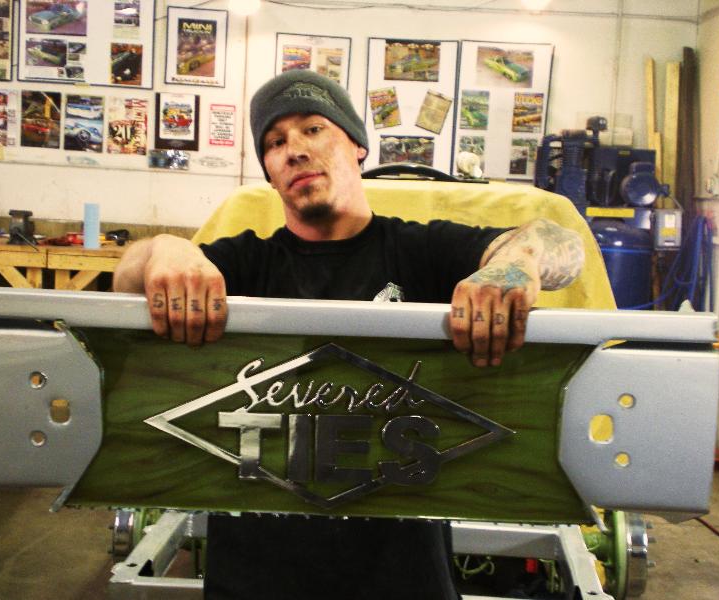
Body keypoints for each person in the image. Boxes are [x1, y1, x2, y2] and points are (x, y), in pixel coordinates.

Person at [113, 69, 585, 600]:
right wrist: (165, 249)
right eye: (275, 142)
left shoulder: (423, 251)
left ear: (358, 145)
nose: (294, 150)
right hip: (253, 576)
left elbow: (558, 242)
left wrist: (516, 264)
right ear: (269, 172)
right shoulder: (242, 263)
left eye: (313, 129)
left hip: (401, 576)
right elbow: (127, 278)